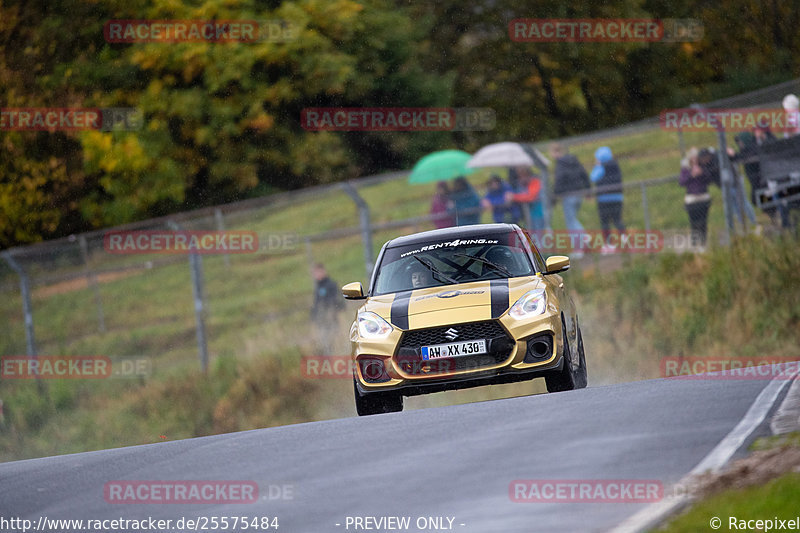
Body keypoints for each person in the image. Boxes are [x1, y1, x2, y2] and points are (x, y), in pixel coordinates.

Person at [551, 143, 590, 256]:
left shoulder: (560, 164)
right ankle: (580, 246)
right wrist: (587, 189)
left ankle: (582, 240)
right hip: (579, 193)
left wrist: (555, 197)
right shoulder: (574, 161)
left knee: (571, 221)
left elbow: (559, 181)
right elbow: (584, 174)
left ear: (555, 152)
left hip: (568, 195)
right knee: (573, 219)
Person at [590, 146, 626, 253]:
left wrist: (598, 166)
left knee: (605, 223)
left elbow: (593, 177)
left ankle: (609, 245)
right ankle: (625, 239)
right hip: (617, 198)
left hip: (604, 200)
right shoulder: (615, 166)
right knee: (617, 220)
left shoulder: (601, 167)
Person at [679, 147, 714, 250]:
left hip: (703, 197)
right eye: (692, 158)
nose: (694, 160)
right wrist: (691, 175)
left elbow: (709, 179)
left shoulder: (703, 166)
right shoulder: (686, 169)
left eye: (696, 158)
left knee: (703, 222)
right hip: (692, 199)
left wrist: (701, 173)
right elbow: (682, 182)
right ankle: (695, 244)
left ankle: (703, 244)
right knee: (694, 223)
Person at [310, 263, 345, 354]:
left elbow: (340, 302)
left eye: (318, 272)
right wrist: (313, 316)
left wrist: (332, 311)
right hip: (321, 322)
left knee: (332, 341)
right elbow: (316, 304)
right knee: (323, 342)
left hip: (331, 320)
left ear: (323, 271)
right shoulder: (318, 287)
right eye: (315, 273)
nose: (316, 275)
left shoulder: (331, 285)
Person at [506, 166, 547, 231]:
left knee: (539, 232)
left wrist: (514, 197)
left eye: (523, 176)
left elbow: (530, 197)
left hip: (539, 212)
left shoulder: (535, 182)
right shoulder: (522, 184)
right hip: (528, 214)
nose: (521, 179)